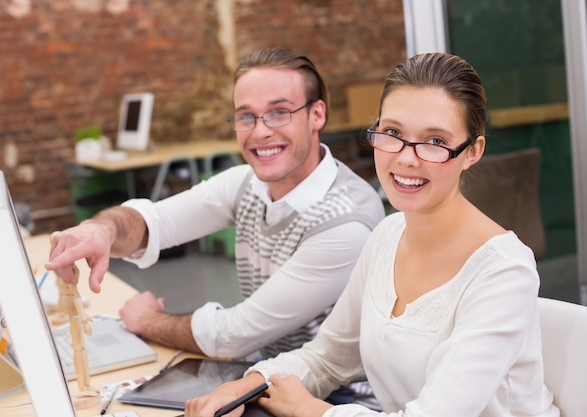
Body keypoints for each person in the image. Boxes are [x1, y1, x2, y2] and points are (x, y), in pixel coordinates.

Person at [185, 52, 560, 417]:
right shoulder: (387, 235)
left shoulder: (503, 272)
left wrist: (313, 411)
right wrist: (248, 384)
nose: (406, 158)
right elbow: (327, 357)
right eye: (393, 133)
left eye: (434, 141)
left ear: (472, 152)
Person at [45, 47, 385, 361]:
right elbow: (155, 223)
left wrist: (149, 321)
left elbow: (236, 335)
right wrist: (101, 229)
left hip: (332, 400)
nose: (260, 131)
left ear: (317, 115)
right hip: (265, 377)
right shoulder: (245, 184)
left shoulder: (344, 221)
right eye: (246, 117)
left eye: (279, 112)